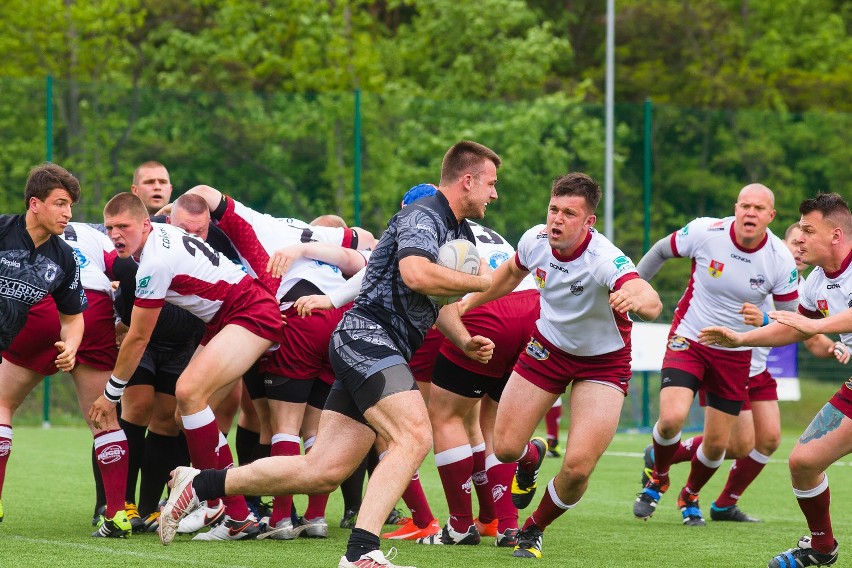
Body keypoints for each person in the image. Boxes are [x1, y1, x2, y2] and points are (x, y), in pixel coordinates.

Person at [159, 140, 500, 568]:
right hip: (369, 338)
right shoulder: (424, 214)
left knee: (323, 469)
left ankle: (201, 483)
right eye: (490, 183)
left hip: (371, 343)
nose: (494, 194)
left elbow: (437, 298)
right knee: (413, 436)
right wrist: (484, 282)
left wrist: (463, 338)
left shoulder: (457, 231)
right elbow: (416, 273)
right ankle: (361, 553)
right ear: (467, 180)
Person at [459, 172, 662, 558]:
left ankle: (533, 528)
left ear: (589, 222)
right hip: (547, 350)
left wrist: (637, 300)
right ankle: (532, 455)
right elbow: (510, 274)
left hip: (603, 364)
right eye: (554, 209)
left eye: (569, 213)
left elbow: (647, 296)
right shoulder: (535, 239)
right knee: (503, 449)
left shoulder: (603, 257)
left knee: (577, 469)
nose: (557, 219)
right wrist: (469, 305)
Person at [90, 192, 284, 541]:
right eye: (110, 227)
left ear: (146, 224)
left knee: (189, 392)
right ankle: (219, 506)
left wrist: (109, 396)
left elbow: (137, 339)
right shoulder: (160, 236)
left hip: (249, 311)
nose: (116, 234)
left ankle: (234, 512)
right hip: (228, 318)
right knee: (186, 414)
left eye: (124, 226)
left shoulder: (154, 262)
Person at [640, 222, 850, 522]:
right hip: (736, 362)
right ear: (782, 243)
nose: (799, 250)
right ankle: (674, 471)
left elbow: (805, 332)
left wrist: (832, 348)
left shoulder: (808, 286)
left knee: (769, 440)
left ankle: (723, 503)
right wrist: (765, 320)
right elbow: (772, 321)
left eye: (804, 242)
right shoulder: (769, 266)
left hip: (758, 367)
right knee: (731, 444)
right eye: (794, 242)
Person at [699, 192, 852, 568]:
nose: (799, 238)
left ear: (835, 235)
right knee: (803, 461)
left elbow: (811, 325)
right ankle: (821, 547)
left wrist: (815, 324)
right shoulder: (816, 283)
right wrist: (742, 338)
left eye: (808, 230)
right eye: (799, 228)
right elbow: (792, 328)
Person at [632, 184, 798, 527]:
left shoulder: (780, 259)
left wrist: (763, 321)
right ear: (735, 208)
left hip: (736, 352)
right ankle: (659, 477)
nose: (750, 213)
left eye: (759, 208)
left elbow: (790, 321)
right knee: (672, 418)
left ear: (771, 216)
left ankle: (690, 495)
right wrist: (631, 285)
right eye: (745, 206)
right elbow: (661, 250)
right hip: (689, 339)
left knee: (719, 445)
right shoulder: (706, 231)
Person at [0, 164, 87, 527]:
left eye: (70, 206)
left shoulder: (63, 258)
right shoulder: (2, 230)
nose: (68, 214)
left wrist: (71, 346)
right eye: (60, 204)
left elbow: (73, 317)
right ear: (35, 203)